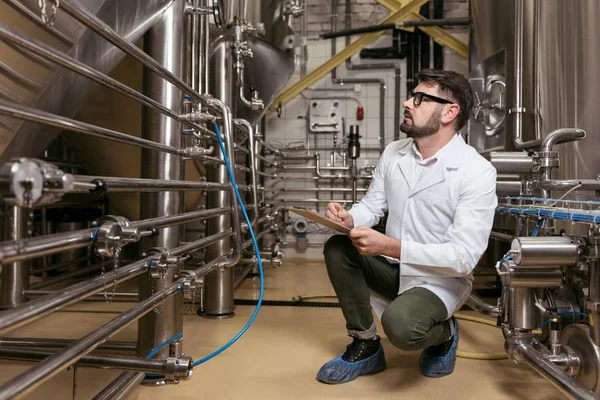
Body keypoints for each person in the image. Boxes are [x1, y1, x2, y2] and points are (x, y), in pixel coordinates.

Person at [317, 68, 497, 384]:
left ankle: (445, 334)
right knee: (338, 246)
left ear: (449, 112)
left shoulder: (476, 171)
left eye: (419, 98)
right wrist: (350, 218)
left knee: (401, 328)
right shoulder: (394, 153)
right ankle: (366, 344)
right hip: (394, 268)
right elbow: (373, 205)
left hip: (439, 280)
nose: (406, 103)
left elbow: (463, 257)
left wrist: (390, 246)